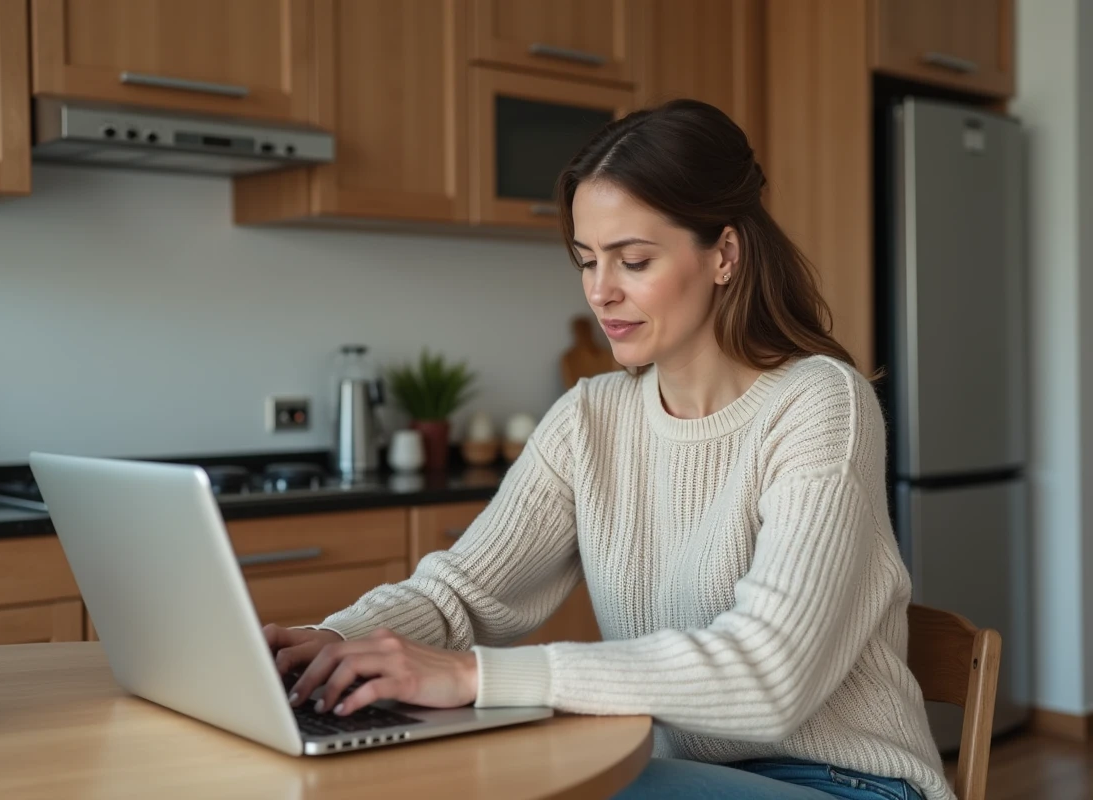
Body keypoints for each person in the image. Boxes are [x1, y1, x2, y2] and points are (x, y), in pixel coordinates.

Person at [264, 99, 952, 800]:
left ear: (724, 255)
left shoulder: (820, 404)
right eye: (587, 260)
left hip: (846, 782)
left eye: (634, 260)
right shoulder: (591, 417)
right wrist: (328, 645)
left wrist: (476, 676)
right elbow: (461, 595)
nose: (601, 291)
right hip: (679, 774)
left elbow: (770, 675)